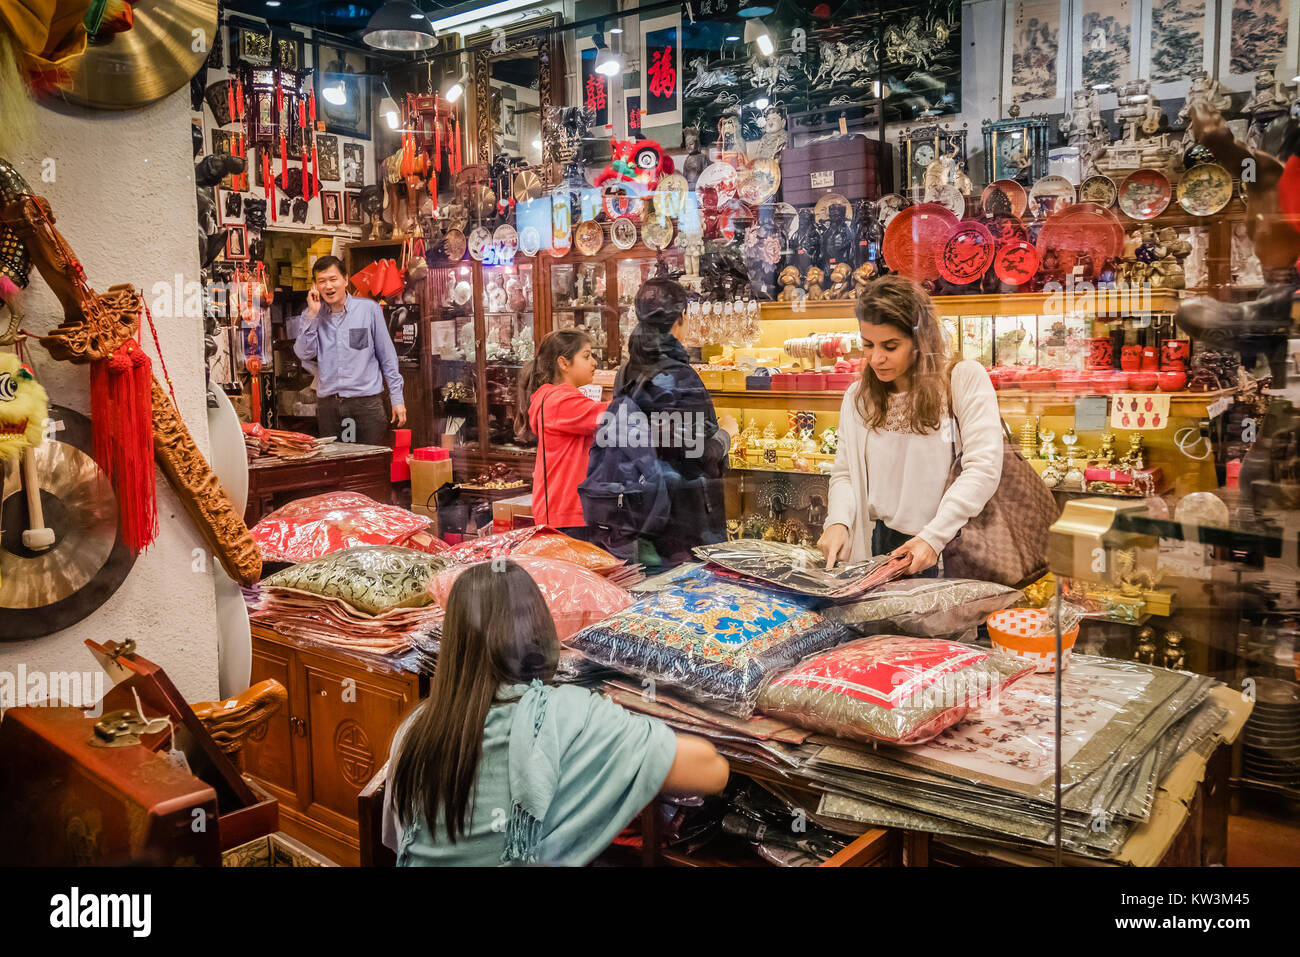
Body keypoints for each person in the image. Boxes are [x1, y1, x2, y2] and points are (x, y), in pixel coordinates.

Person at [383, 561, 730, 866]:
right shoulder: (562, 714)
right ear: (540, 630)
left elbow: (398, 840)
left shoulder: (415, 729)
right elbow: (711, 771)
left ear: (452, 642)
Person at [818, 275, 1003, 576]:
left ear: (920, 341)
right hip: (882, 545)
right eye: (868, 344)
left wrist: (933, 537)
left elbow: (983, 468)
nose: (876, 358)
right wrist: (837, 521)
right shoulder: (859, 397)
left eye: (890, 346)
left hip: (949, 543)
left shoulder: (962, 379)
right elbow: (845, 473)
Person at [593, 278, 737, 568]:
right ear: (681, 318)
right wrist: (726, 433)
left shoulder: (626, 371)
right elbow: (699, 455)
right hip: (684, 518)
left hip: (643, 511)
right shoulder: (679, 376)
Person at [293, 255, 406, 446]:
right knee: (336, 462)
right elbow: (304, 353)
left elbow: (387, 356)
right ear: (315, 286)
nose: (328, 286)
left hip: (366, 404)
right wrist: (312, 314)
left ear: (345, 280)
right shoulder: (313, 314)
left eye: (333, 279)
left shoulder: (369, 310)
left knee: (370, 461)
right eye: (322, 281)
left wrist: (397, 398)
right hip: (329, 406)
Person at [517, 329, 607, 540]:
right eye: (586, 356)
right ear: (564, 363)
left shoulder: (557, 397)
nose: (594, 362)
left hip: (567, 510)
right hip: (567, 512)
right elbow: (611, 415)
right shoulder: (559, 400)